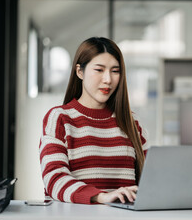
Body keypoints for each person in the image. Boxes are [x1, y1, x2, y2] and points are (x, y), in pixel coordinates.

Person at [39, 37, 149, 204]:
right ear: (79, 71)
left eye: (115, 71)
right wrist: (102, 197)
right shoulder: (60, 118)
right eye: (99, 70)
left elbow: (152, 179)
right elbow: (54, 179)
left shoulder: (132, 122)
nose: (108, 79)